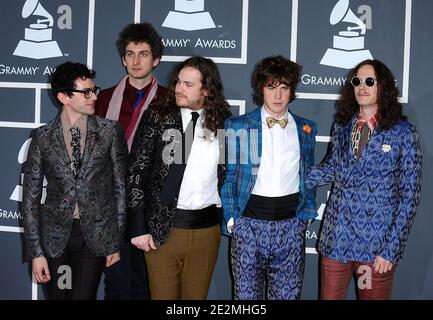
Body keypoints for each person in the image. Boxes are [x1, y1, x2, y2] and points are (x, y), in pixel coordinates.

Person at [305, 59, 422, 300]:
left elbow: (410, 196)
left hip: (375, 248)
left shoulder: (402, 132)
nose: (362, 86)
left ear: (383, 87)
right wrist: (285, 178)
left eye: (369, 81)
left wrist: (391, 250)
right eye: (357, 81)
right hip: (337, 240)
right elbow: (331, 169)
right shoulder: (342, 126)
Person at [126, 56, 231, 299]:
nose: (179, 89)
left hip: (206, 231)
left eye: (188, 84)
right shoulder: (158, 116)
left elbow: (227, 172)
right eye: (178, 82)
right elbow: (136, 174)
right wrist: (139, 228)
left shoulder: (223, 120)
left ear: (206, 90)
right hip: (163, 230)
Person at [22, 62, 128, 300]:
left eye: (94, 90)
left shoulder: (110, 131)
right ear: (64, 97)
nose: (93, 97)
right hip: (55, 238)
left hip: (95, 238)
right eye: (86, 92)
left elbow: (121, 188)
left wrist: (115, 240)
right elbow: (30, 197)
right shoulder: (42, 137)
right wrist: (36, 252)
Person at [221, 55, 318, 300]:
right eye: (271, 87)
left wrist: (304, 217)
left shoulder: (306, 128)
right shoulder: (238, 126)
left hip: (290, 227)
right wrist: (234, 220)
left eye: (284, 88)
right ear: (260, 89)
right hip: (248, 226)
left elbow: (308, 174)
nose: (277, 95)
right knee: (246, 300)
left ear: (292, 91)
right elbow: (230, 176)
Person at [94, 22, 167, 300]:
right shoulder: (102, 99)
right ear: (123, 59)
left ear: (156, 59)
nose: (136, 61)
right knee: (116, 283)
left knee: (145, 284)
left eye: (144, 54)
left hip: (149, 205)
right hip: (110, 204)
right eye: (130, 54)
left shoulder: (169, 100)